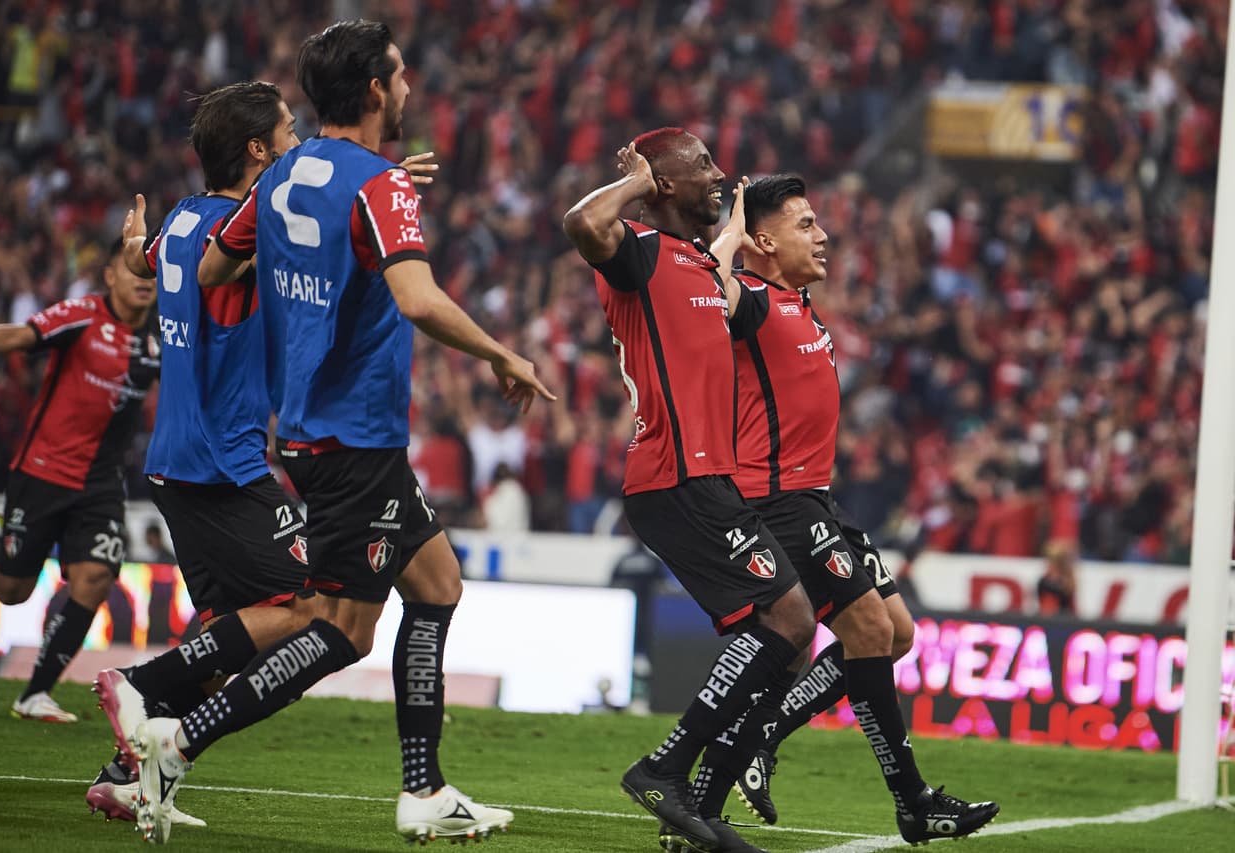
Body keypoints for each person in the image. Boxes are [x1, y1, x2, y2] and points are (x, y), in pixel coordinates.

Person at [128, 20, 553, 845]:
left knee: (437, 584)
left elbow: (216, 264)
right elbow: (420, 299)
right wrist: (504, 353)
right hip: (356, 436)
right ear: (371, 91)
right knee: (341, 629)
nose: (407, 90)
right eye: (398, 77)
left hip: (316, 434)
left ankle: (426, 789)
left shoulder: (288, 171)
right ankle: (178, 736)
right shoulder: (379, 186)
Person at [724, 173, 999, 844]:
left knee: (897, 632)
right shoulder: (750, 299)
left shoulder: (797, 298)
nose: (823, 234)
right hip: (780, 499)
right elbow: (712, 278)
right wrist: (732, 224)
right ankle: (913, 801)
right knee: (871, 633)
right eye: (806, 224)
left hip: (820, 498)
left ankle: (759, 734)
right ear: (763, 240)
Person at [564, 131, 816, 853]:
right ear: (662, 182)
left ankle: (694, 810)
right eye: (701, 164)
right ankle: (667, 769)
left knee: (779, 638)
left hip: (709, 479)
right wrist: (640, 181)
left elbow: (723, 252)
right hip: (676, 474)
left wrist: (737, 232)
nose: (718, 173)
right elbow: (583, 224)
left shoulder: (701, 265)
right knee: (790, 620)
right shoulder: (636, 252)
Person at [85, 79, 306, 830]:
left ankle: (126, 775)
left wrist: (130, 249)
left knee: (225, 632)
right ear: (258, 151)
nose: (298, 142)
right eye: (288, 131)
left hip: (180, 457)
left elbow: (146, 261)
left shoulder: (182, 219)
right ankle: (141, 684)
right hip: (223, 461)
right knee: (314, 612)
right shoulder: (241, 231)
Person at [0, 240, 158, 724]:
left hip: (102, 483)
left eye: (150, 272)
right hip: (43, 472)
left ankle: (35, 693)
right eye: (133, 269)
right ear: (109, 276)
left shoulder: (159, 337)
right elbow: (18, 338)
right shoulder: (82, 315)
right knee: (12, 592)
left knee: (97, 575)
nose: (144, 279)